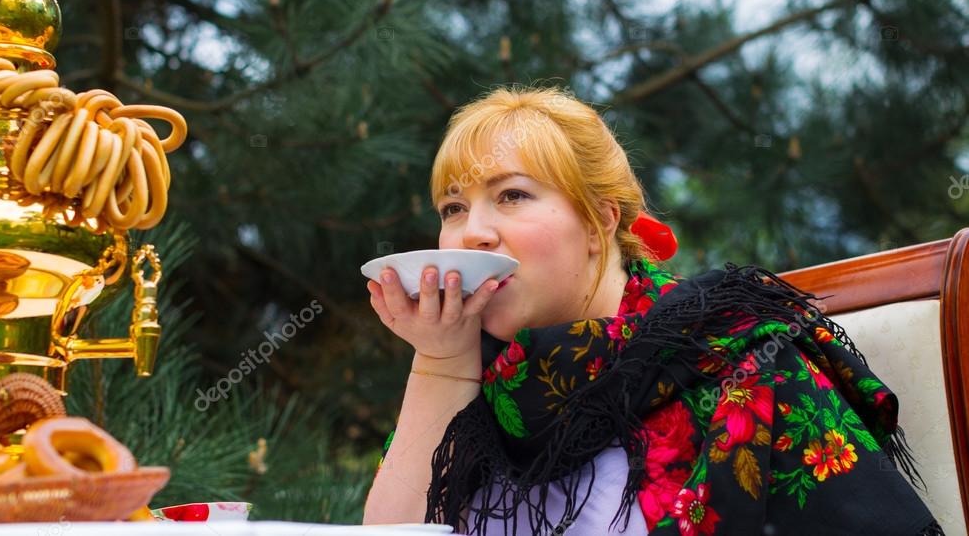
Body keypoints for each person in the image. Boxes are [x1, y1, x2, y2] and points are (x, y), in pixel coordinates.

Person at [362, 85, 943, 535]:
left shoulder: (731, 352)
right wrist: (438, 362)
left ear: (601, 221)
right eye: (454, 206)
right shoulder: (473, 371)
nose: (473, 233)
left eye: (512, 195)